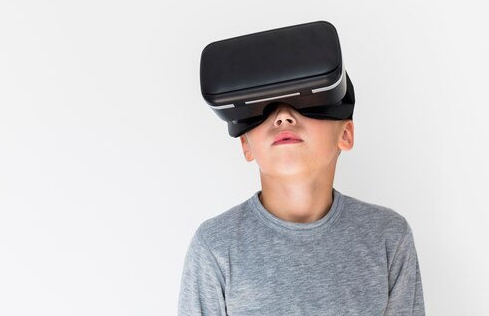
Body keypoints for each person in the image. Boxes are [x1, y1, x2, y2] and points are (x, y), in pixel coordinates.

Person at [177, 101, 425, 315]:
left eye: (306, 101)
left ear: (345, 135)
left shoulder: (388, 237)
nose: (284, 117)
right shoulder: (215, 246)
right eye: (265, 107)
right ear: (246, 145)